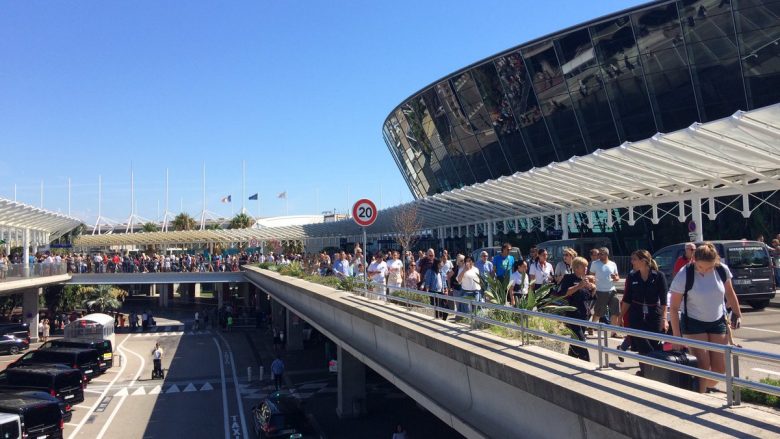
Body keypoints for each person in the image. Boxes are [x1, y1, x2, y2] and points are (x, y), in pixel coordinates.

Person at [670, 243, 742, 393]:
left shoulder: (722, 270)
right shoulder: (685, 274)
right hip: (693, 322)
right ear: (694, 260)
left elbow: (730, 293)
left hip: (717, 321)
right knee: (703, 365)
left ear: (716, 261)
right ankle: (700, 397)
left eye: (709, 267)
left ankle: (699, 386)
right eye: (701, 267)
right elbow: (674, 307)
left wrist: (737, 313)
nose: (704, 271)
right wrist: (676, 336)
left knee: (720, 368)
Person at [620, 250, 668, 354]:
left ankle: (651, 368)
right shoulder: (632, 277)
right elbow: (627, 299)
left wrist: (664, 319)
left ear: (644, 261)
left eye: (634, 259)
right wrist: (621, 316)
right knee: (641, 344)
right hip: (636, 315)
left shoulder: (659, 276)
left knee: (654, 344)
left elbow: (664, 300)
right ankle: (644, 369)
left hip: (654, 314)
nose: (632, 262)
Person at [557, 256, 596, 361]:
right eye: (584, 267)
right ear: (577, 267)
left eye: (587, 267)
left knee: (575, 342)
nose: (586, 269)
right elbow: (563, 293)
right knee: (581, 341)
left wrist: (593, 289)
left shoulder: (585, 280)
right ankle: (587, 363)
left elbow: (590, 298)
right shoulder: (568, 278)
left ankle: (571, 359)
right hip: (572, 314)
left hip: (584, 315)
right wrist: (579, 286)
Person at [589, 247, 620, 335]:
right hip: (600, 291)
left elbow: (617, 277)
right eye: (598, 254)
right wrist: (592, 287)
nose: (599, 255)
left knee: (615, 311)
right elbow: (591, 276)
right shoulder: (595, 263)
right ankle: (591, 326)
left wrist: (615, 278)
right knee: (599, 312)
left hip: (612, 290)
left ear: (607, 254)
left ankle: (614, 332)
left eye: (601, 254)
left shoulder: (613, 264)